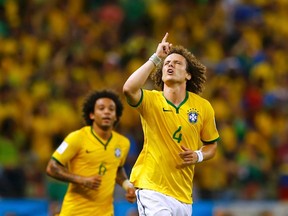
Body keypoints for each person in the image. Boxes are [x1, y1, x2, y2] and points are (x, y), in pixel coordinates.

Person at [123, 33, 219, 216]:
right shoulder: (151, 100)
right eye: (167, 63)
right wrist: (156, 57)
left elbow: (212, 145)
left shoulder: (203, 107)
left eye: (177, 63)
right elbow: (129, 89)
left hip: (183, 195)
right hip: (152, 187)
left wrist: (198, 155)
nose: (170, 65)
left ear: (188, 75)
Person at [46, 90, 136, 216]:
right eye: (101, 108)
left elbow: (116, 168)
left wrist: (127, 186)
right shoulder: (76, 137)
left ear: (116, 116)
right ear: (92, 115)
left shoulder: (123, 143)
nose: (106, 112)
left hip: (105, 212)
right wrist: (82, 180)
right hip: (75, 212)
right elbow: (52, 167)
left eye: (111, 109)